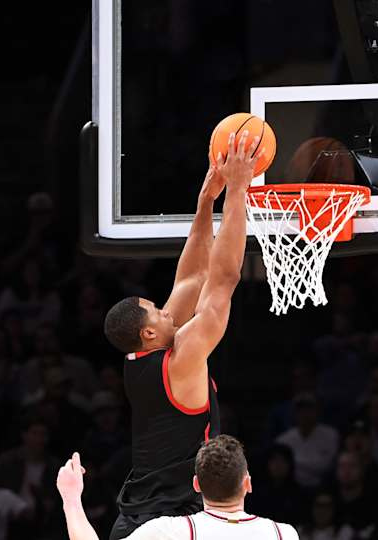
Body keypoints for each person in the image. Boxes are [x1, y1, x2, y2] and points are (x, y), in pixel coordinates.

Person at [101, 130, 263, 539]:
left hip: (136, 517)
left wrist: (206, 201)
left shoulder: (143, 355)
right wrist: (238, 191)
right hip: (169, 521)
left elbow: (192, 276)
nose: (166, 309)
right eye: (157, 310)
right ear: (149, 332)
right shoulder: (182, 359)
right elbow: (223, 280)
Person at [57, 434, 298, 539]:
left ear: (196, 484)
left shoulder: (171, 531)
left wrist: (71, 498)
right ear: (248, 483)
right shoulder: (283, 534)